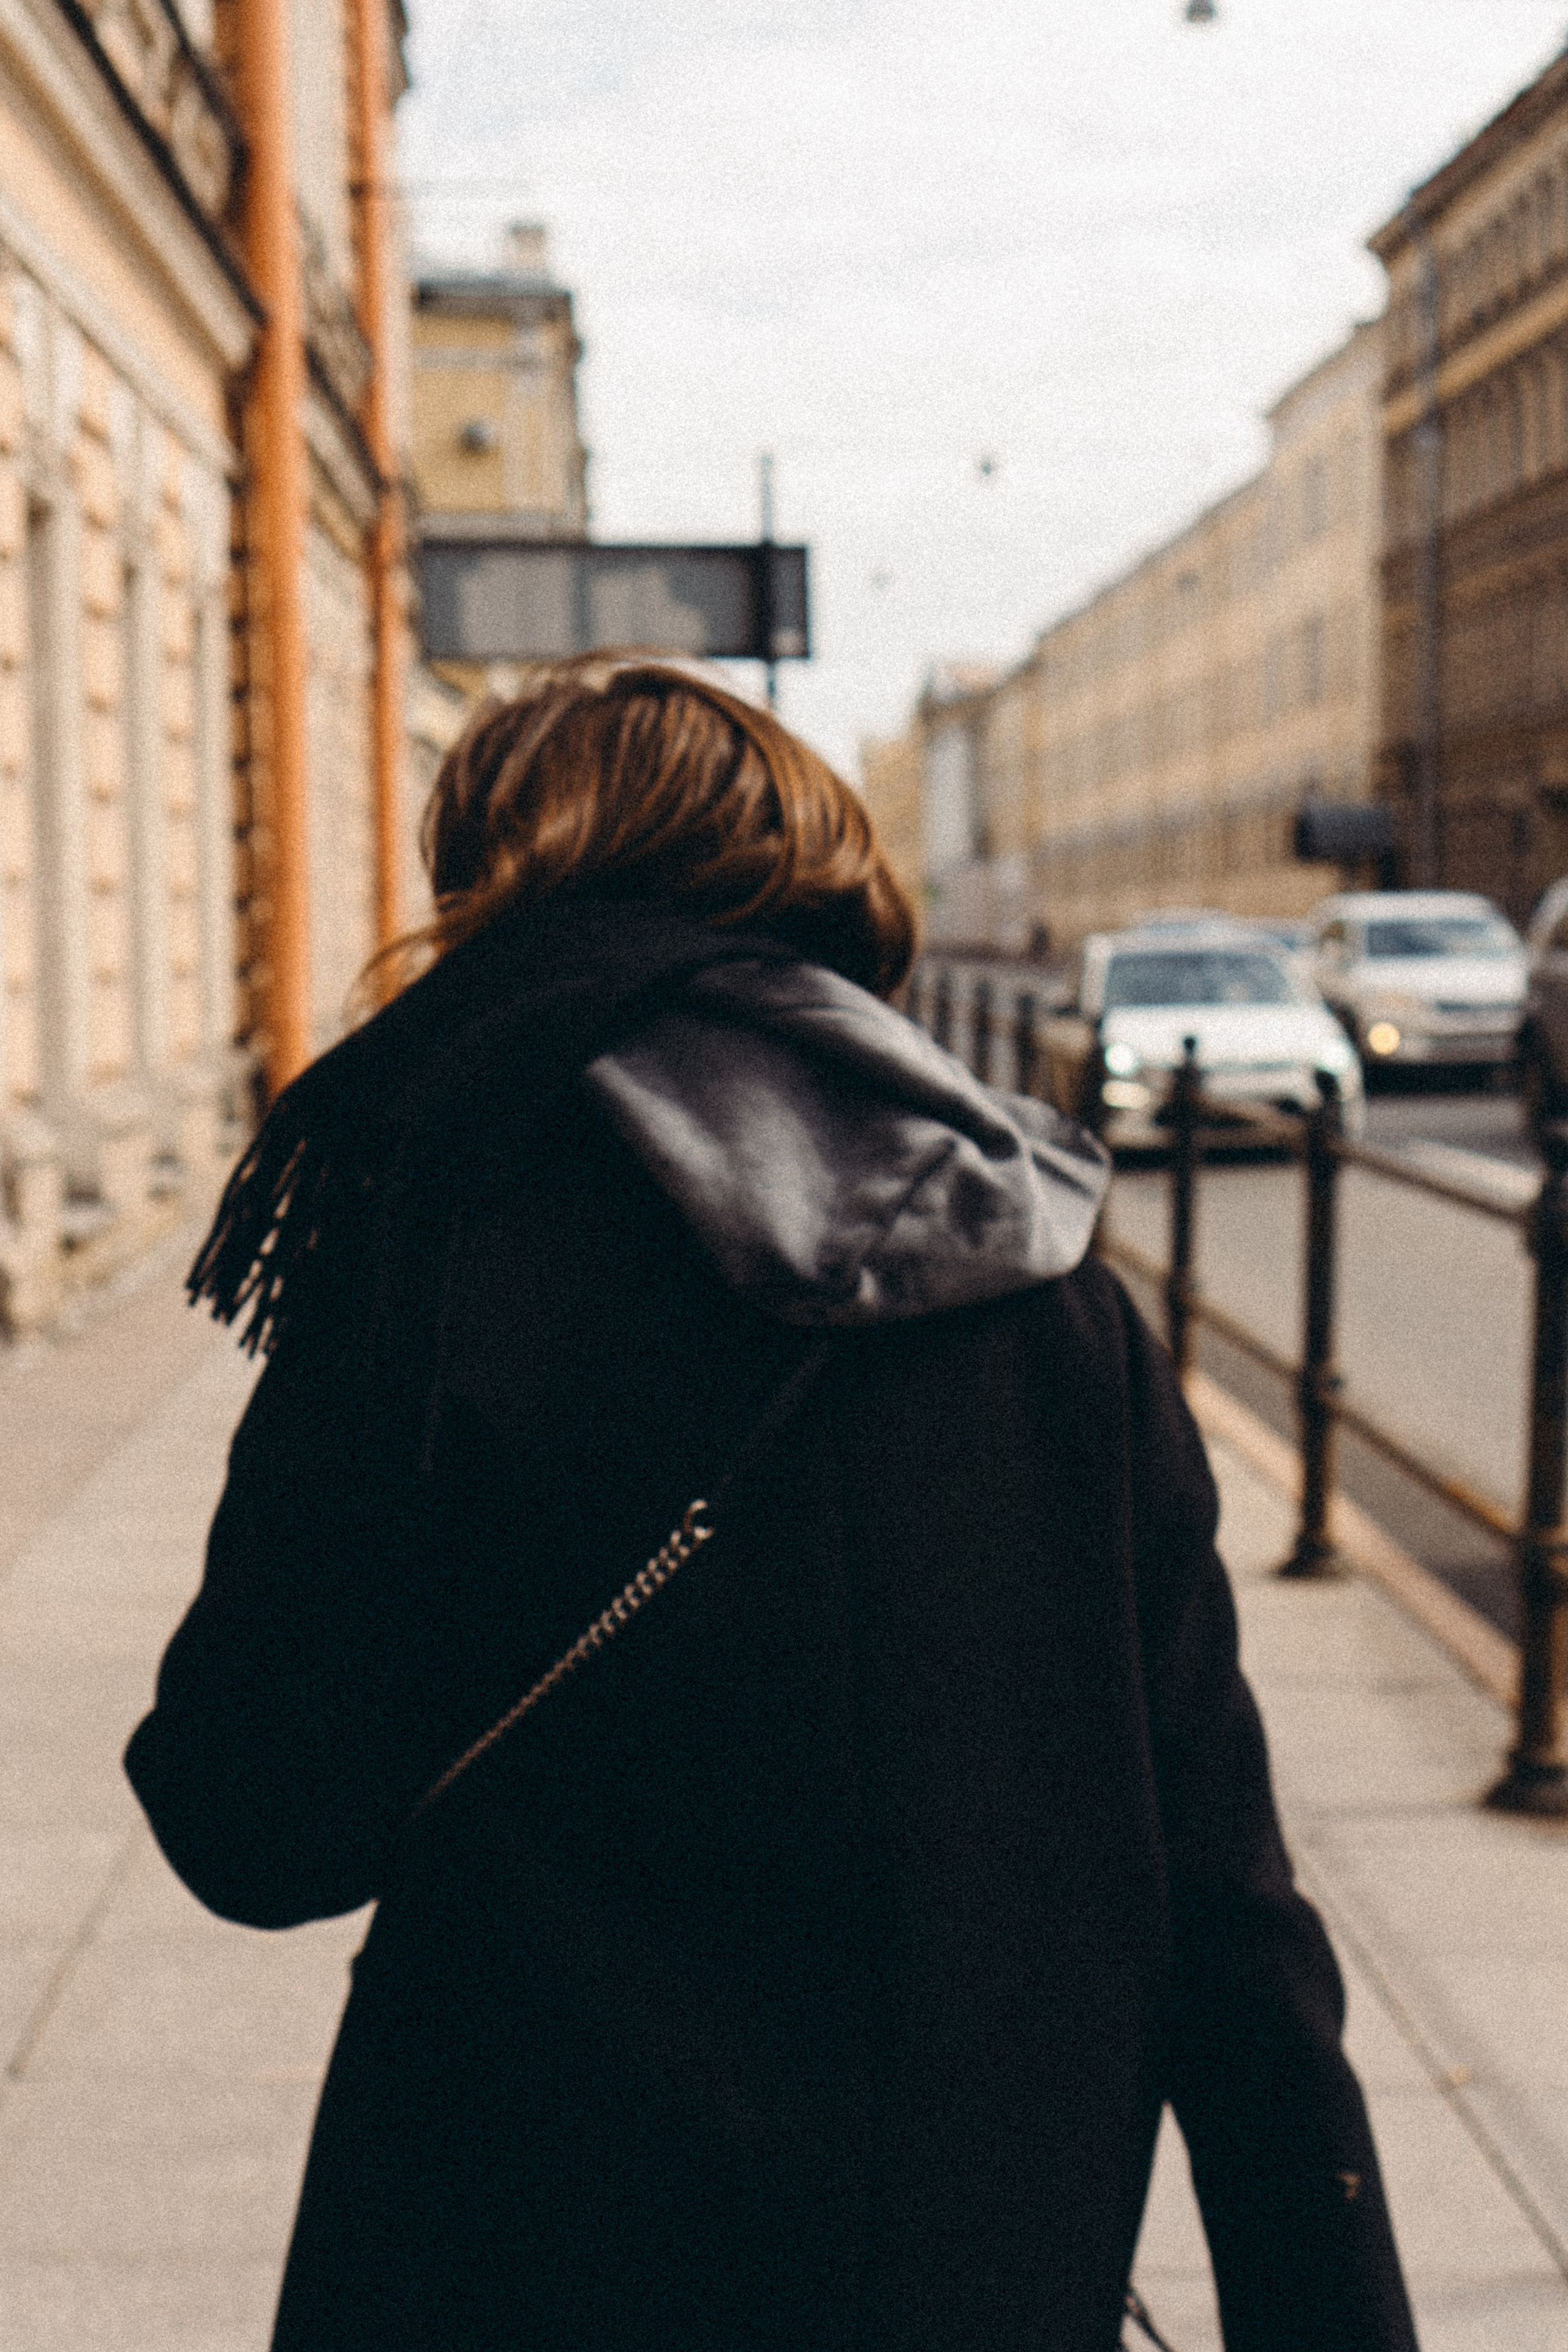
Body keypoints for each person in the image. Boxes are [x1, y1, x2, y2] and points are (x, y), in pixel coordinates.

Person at [125, 658, 1419, 2352]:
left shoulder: (440, 1234)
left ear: (493, 903)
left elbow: (251, 1823)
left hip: (510, 2250)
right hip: (963, 2269)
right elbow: (1231, 1914)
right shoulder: (1051, 1306)